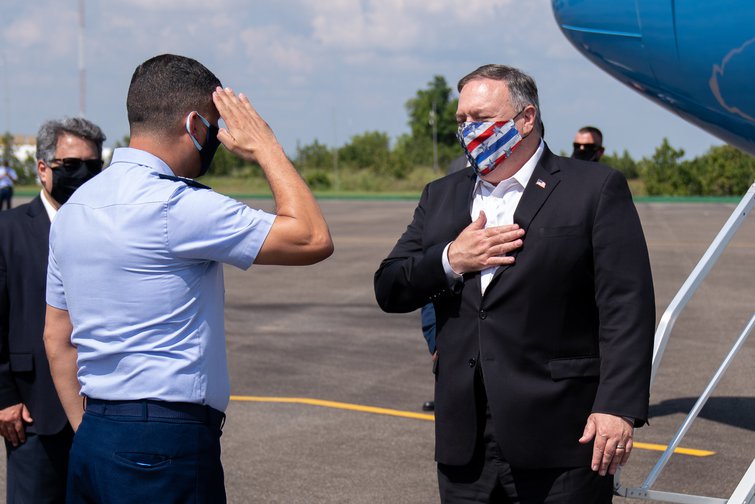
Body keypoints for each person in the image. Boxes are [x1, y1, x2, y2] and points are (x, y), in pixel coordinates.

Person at [43, 54, 333, 503]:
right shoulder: (178, 206)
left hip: (95, 434)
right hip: (164, 441)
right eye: (215, 127)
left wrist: (91, 430)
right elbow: (312, 237)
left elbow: (57, 336)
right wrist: (266, 147)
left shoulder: (73, 210)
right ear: (195, 125)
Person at [374, 64, 655, 503]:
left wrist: (618, 406)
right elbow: (389, 286)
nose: (468, 129)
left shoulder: (593, 189)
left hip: (562, 437)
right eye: (461, 120)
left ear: (525, 119)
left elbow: (627, 307)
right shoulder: (441, 195)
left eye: (480, 118)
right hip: (465, 443)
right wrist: (451, 259)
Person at [0, 117, 105, 503]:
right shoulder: (7, 230)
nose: (83, 175)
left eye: (93, 167)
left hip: (100, 410)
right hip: (32, 410)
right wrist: (4, 396)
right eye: (71, 165)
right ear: (43, 168)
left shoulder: (108, 227)